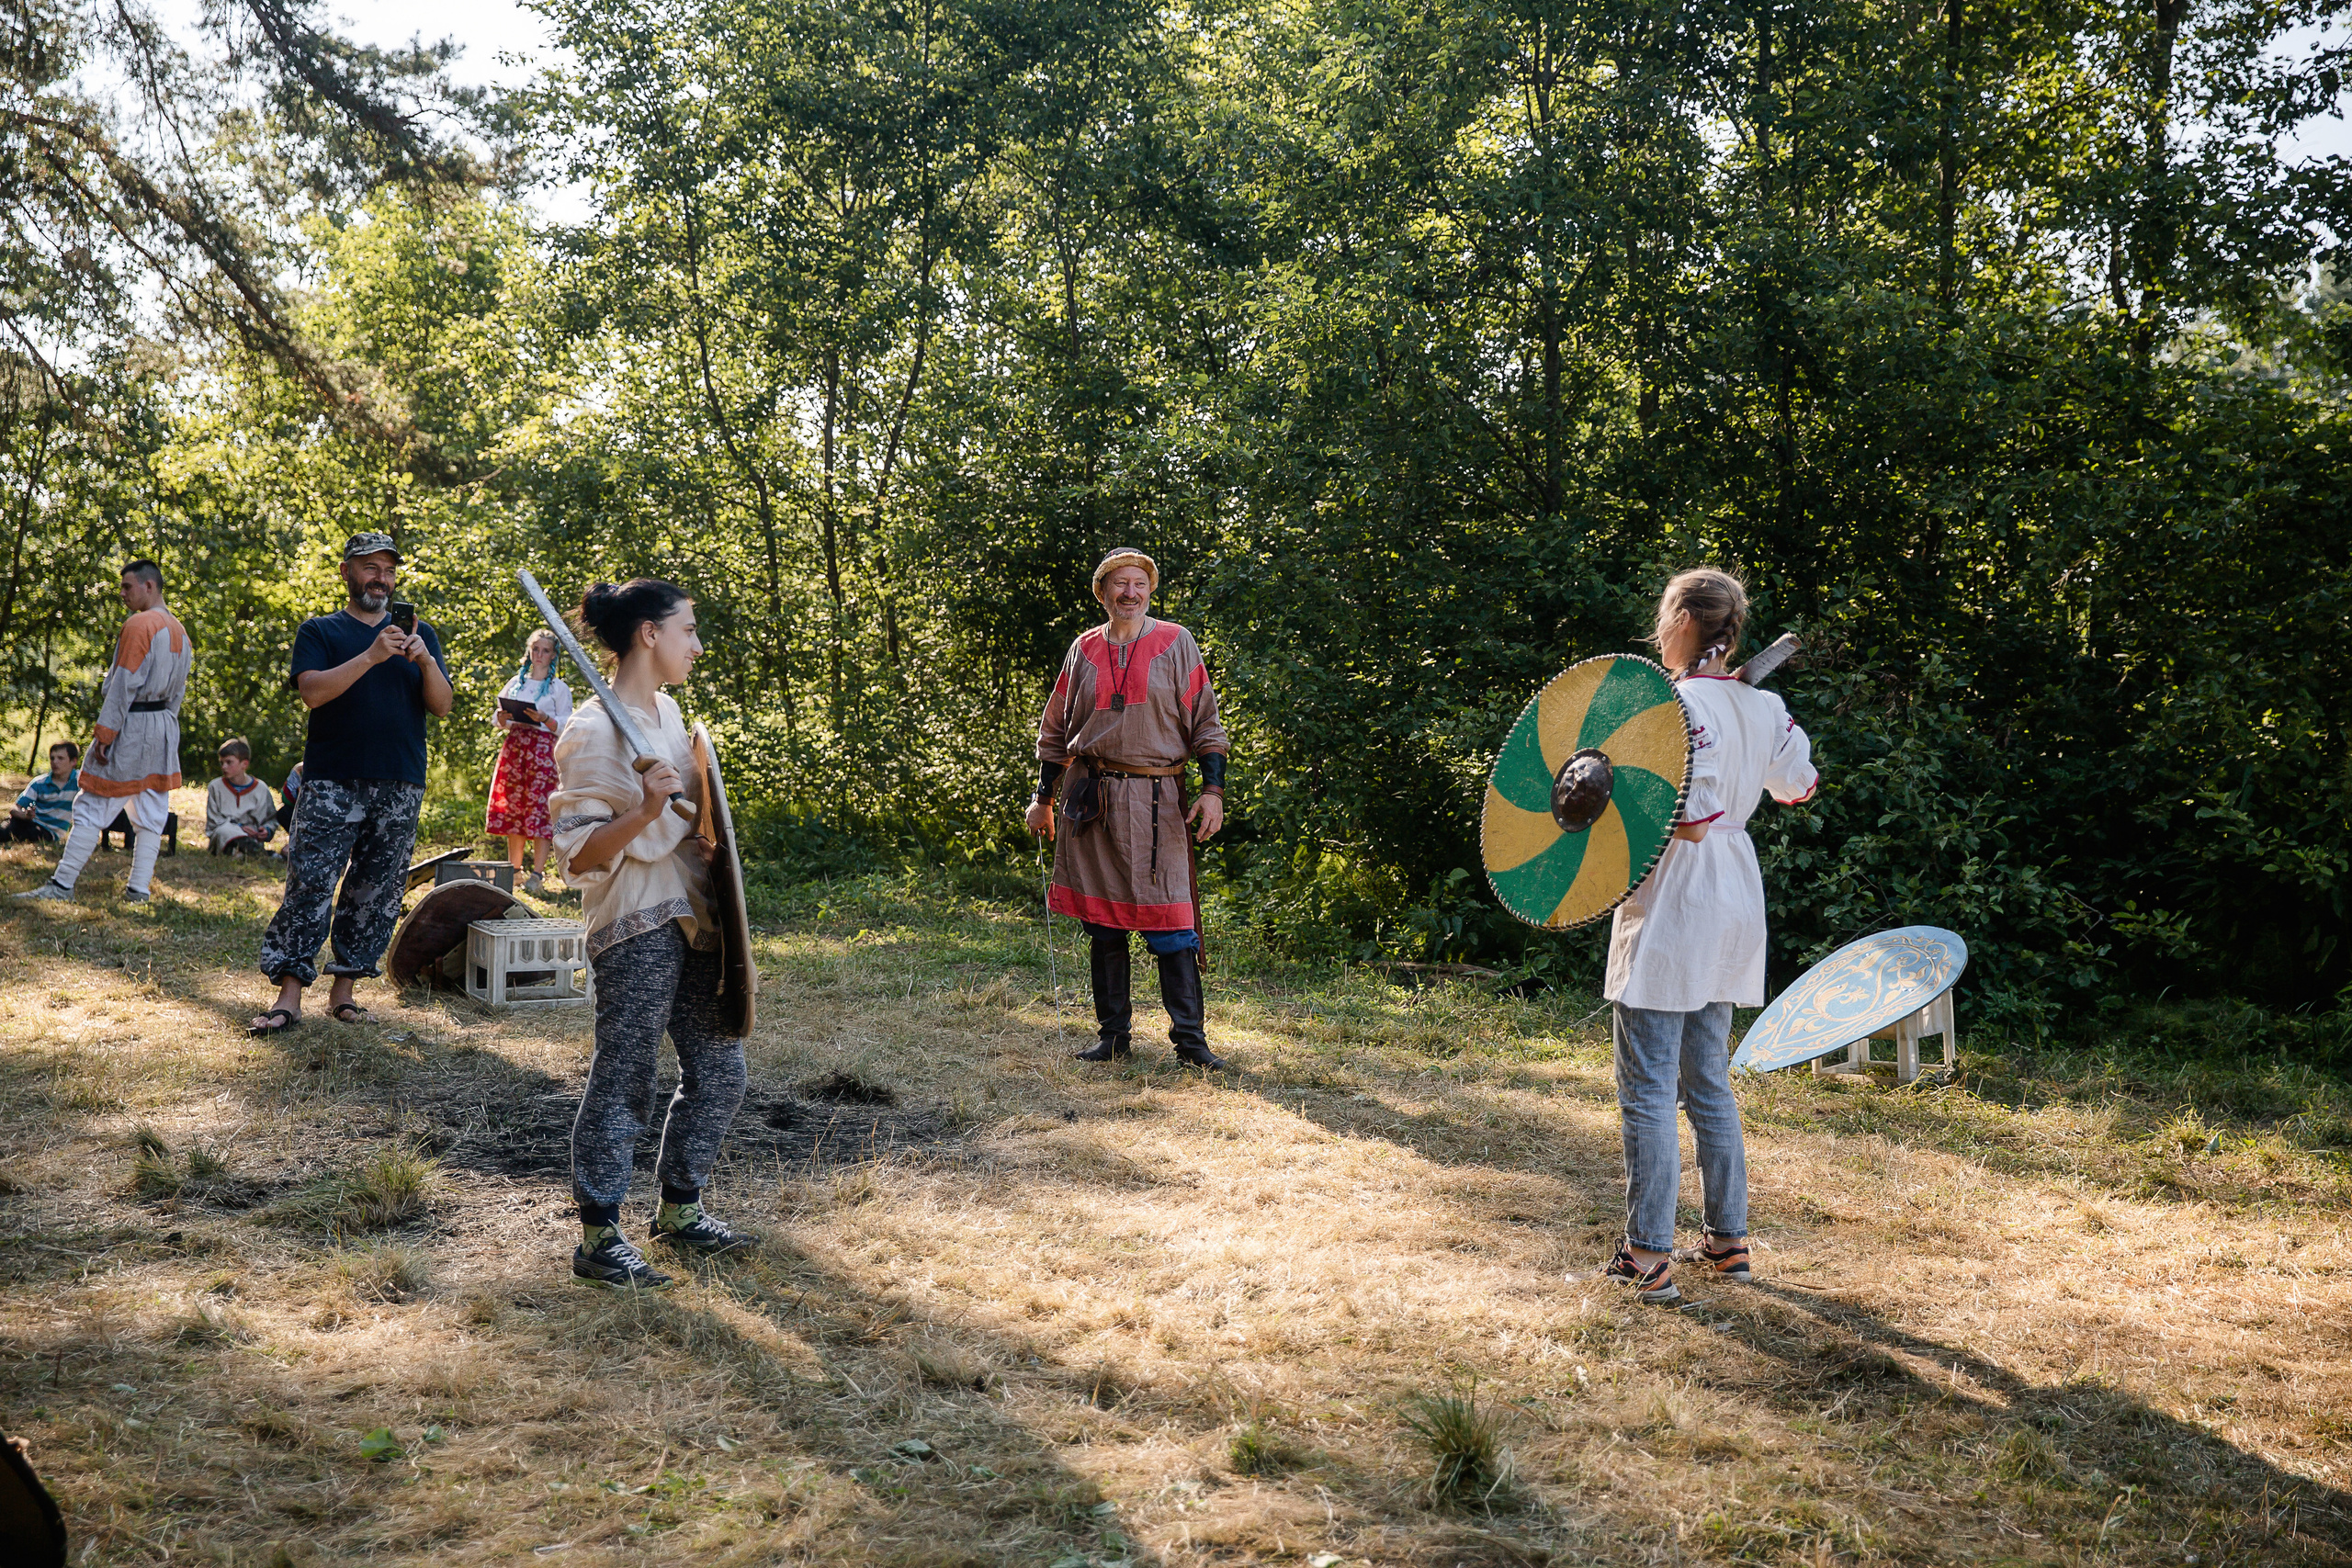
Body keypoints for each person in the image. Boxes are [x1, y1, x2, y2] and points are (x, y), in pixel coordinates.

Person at [1598, 568, 1818, 1306]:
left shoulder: (1671, 706)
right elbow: (1798, 786)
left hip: (1680, 890)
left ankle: (1647, 1255)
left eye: (1663, 618)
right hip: (1734, 888)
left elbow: (1680, 817)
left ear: (1686, 621)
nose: (1657, 632)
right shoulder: (1767, 706)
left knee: (1652, 1086)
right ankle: (1728, 1243)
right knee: (1707, 1080)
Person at [549, 578, 748, 1292]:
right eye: (687, 629)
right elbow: (579, 855)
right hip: (636, 919)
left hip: (694, 914)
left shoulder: (665, 713)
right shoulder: (592, 731)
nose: (696, 645)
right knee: (626, 1073)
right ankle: (600, 1234)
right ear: (648, 634)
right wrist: (642, 809)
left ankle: (679, 1209)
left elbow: (698, 817)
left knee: (722, 1068)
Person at [1026, 547, 1231, 1069]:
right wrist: (1042, 799)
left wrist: (1212, 791)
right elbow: (1055, 733)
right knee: (1104, 922)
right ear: (1103, 592)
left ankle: (1191, 1043)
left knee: (1171, 925)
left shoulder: (1175, 642)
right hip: (1089, 800)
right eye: (1120, 584)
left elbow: (1206, 724)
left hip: (1157, 802)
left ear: (1150, 589)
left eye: (1139, 583)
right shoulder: (1083, 648)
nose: (1130, 593)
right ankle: (1113, 1037)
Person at [249, 534, 452, 1034]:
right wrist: (370, 657)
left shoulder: (420, 638)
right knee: (310, 882)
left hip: (400, 782)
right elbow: (313, 693)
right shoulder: (321, 631)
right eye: (369, 567)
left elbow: (442, 705)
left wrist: (424, 659)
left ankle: (345, 993)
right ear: (346, 572)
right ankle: (289, 995)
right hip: (331, 780)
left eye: (387, 569)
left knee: (375, 890)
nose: (380, 577)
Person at [15, 562, 190, 905]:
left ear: (149, 586)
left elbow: (123, 683)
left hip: (133, 725)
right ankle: (138, 891)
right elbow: (178, 693)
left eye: (127, 587)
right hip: (163, 726)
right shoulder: (180, 630)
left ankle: (61, 885)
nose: (122, 594)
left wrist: (105, 736)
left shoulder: (140, 624)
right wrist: (166, 730)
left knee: (92, 804)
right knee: (151, 812)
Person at [485, 628, 571, 894]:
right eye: (536, 649)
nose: (539, 655)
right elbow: (499, 717)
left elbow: (568, 724)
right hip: (516, 750)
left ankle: (538, 873)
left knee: (541, 810)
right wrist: (500, 718)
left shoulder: (558, 687)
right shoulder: (516, 682)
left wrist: (545, 719)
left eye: (545, 650)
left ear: (553, 655)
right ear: (529, 651)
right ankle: (515, 871)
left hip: (543, 753)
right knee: (515, 808)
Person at [206, 739, 278, 856]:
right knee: (224, 831)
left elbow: (271, 818)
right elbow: (214, 822)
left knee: (241, 853)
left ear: (244, 764)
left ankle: (249, 852)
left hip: (252, 837)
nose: (224, 767)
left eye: (229, 762)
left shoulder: (261, 788)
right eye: (222, 762)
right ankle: (259, 854)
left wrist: (266, 830)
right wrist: (239, 828)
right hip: (223, 837)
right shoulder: (215, 787)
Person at [7, 742, 80, 844]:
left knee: (30, 834)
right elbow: (14, 808)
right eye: (52, 758)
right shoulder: (39, 783)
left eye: (60, 758)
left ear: (73, 761)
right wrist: (25, 815)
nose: (55, 762)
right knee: (8, 828)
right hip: (29, 822)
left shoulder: (80, 781)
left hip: (50, 832)